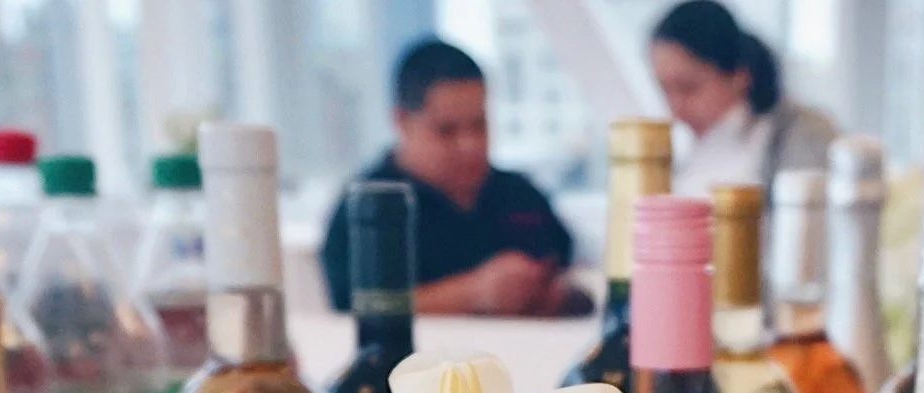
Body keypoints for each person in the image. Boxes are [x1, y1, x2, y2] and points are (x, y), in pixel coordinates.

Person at [321, 37, 588, 316]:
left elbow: (572, 277)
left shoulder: (520, 195)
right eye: (447, 130)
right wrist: (472, 294)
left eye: (479, 125)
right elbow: (356, 308)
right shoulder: (367, 207)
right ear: (402, 121)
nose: (469, 146)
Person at [649, 1, 836, 198]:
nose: (675, 110)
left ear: (738, 76)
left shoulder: (804, 134)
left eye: (688, 87)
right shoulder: (688, 153)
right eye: (665, 90)